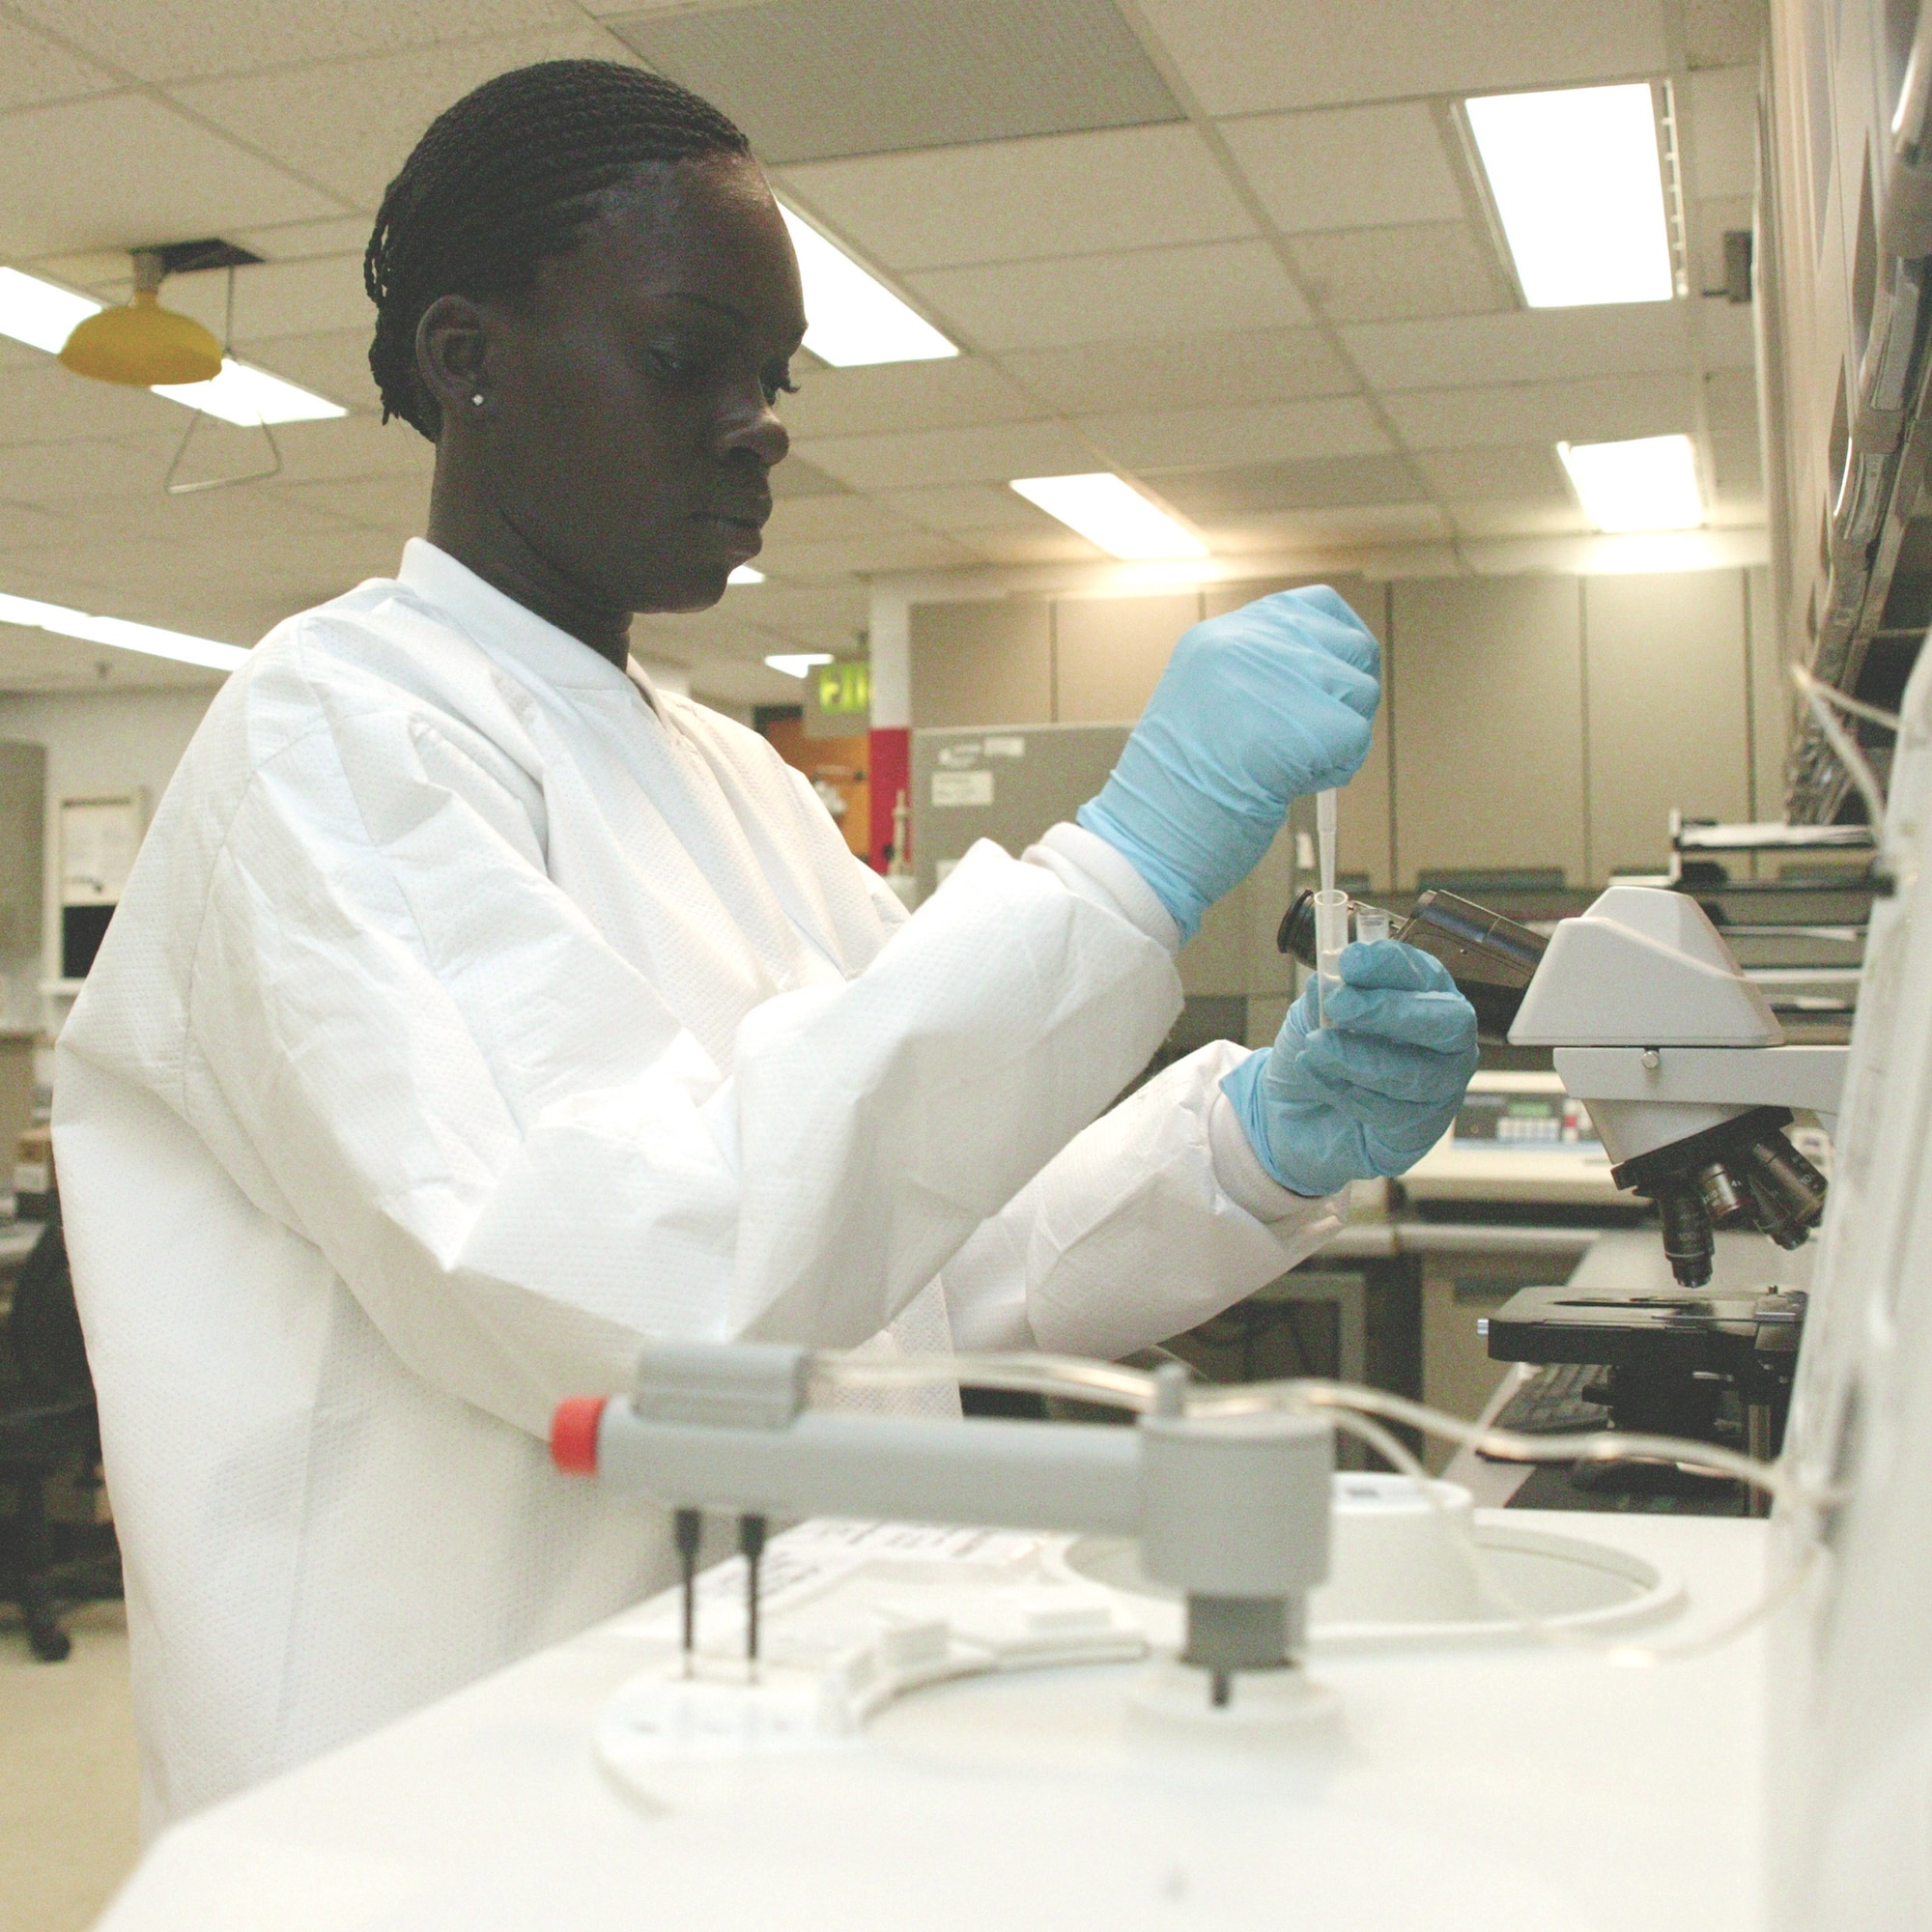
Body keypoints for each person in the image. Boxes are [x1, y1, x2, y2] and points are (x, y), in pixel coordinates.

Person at [52, 61, 1477, 1829]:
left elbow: (901, 1274)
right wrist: (1124, 868)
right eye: (686, 361)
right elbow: (632, 1303)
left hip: (766, 1732)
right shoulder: (333, 743)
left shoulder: (730, 775)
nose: (760, 423)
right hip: (448, 1789)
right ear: (463, 357)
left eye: (773, 377)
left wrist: (1245, 1144)